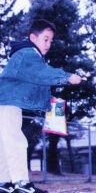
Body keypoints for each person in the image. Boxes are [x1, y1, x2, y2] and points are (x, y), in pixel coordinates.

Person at [0, 19, 84, 193]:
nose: (48, 44)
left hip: (5, 101)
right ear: (33, 37)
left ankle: (5, 183)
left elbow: (35, 84)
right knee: (15, 140)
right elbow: (43, 74)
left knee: (5, 141)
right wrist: (67, 77)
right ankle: (21, 183)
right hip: (6, 103)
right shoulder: (29, 53)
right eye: (45, 39)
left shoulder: (23, 55)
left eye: (51, 41)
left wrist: (50, 101)